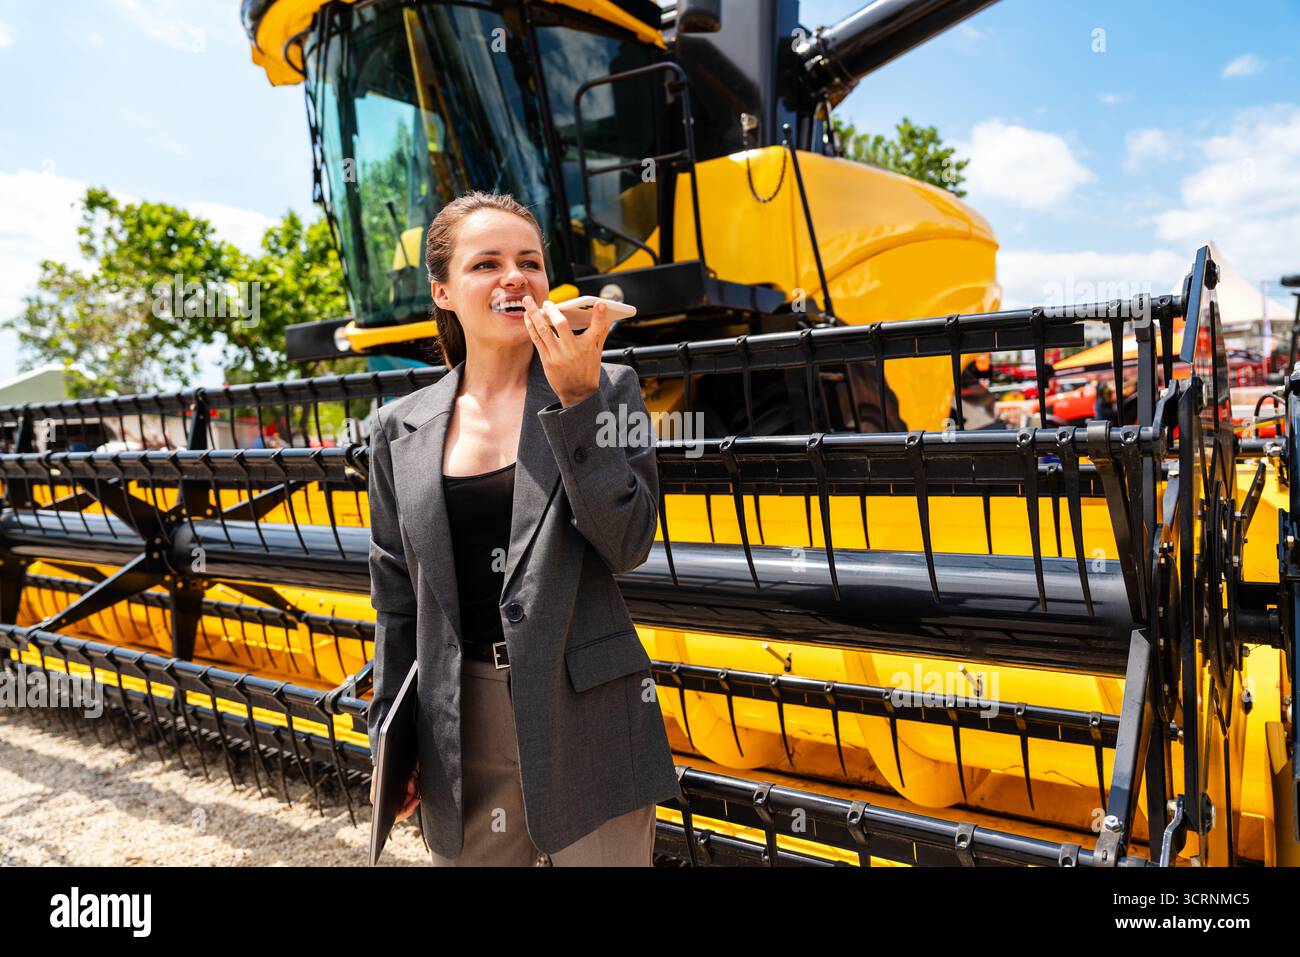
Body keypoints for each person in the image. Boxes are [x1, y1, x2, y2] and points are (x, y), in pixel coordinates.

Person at [365, 191, 679, 866]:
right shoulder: (400, 429)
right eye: (486, 264)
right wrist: (392, 735)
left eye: (529, 261)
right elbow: (395, 596)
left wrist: (577, 403)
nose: (515, 276)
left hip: (588, 711)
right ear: (444, 291)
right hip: (459, 717)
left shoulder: (607, 388)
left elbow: (627, 545)